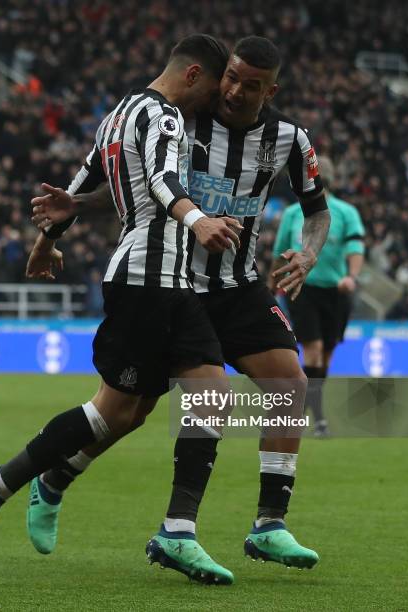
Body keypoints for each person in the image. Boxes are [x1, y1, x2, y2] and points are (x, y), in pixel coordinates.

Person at [30, 36, 330, 571]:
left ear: (272, 90)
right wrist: (71, 208)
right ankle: (55, 477)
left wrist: (307, 255)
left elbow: (317, 210)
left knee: (291, 383)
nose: (235, 91)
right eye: (231, 77)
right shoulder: (182, 120)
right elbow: (126, 189)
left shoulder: (290, 138)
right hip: (174, 283)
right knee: (128, 412)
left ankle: (267, 525)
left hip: (238, 286)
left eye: (251, 86)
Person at [0, 34, 243, 585]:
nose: (215, 101)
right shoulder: (163, 117)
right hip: (144, 280)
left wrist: (47, 239)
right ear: (191, 76)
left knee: (205, 393)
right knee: (111, 413)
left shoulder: (119, 115)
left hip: (171, 283)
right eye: (213, 88)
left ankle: (178, 532)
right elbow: (161, 183)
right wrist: (197, 220)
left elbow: (78, 187)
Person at [270, 156, 365, 436]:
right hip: (303, 289)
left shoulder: (346, 212)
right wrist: (270, 285)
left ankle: (307, 411)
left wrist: (352, 277)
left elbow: (355, 248)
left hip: (336, 292)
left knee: (325, 356)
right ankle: (319, 420)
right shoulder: (291, 214)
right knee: (312, 349)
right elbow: (279, 254)